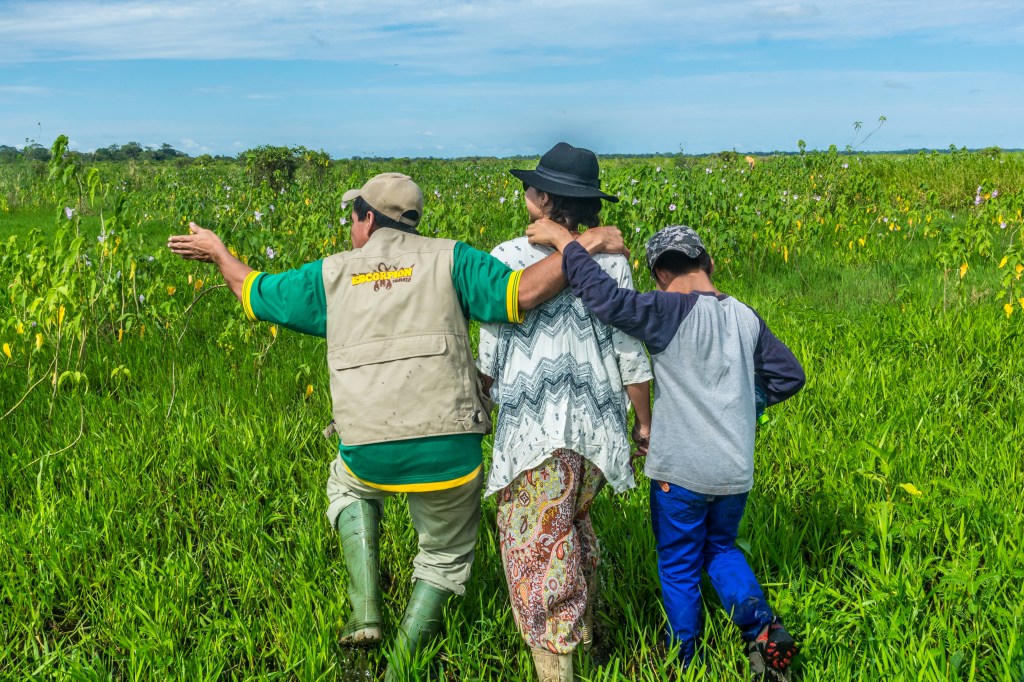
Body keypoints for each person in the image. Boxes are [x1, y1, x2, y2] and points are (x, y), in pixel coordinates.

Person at [167, 172, 626, 680]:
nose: (350, 227)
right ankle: (401, 669)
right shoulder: (454, 259)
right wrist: (581, 242)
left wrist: (217, 251)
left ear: (366, 218)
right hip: (449, 456)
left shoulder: (333, 274)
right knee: (445, 555)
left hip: (368, 450)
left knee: (345, 484)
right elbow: (524, 291)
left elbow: (254, 293)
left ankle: (366, 612)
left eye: (352, 217)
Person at [526, 221, 806, 681]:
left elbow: (605, 298)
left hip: (680, 471)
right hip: (734, 471)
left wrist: (565, 242)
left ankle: (687, 659)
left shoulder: (666, 310)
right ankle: (762, 630)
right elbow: (789, 376)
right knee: (720, 548)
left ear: (658, 276)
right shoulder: (746, 317)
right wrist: (741, 405)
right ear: (708, 263)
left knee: (678, 565)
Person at [477, 142, 653, 682]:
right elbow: (630, 352)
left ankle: (559, 670)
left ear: (545, 200)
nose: (525, 195)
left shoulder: (506, 258)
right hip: (598, 433)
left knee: (536, 555)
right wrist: (644, 422)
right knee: (572, 531)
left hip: (535, 433)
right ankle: (594, 639)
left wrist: (478, 398)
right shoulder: (613, 263)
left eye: (531, 188)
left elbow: (490, 347)